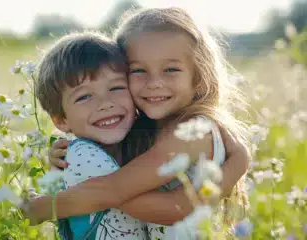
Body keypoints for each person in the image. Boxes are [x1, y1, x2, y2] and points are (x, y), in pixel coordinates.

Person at [26, 7, 250, 239]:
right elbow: (116, 178)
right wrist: (69, 160)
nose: (154, 83)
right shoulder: (149, 129)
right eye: (139, 70)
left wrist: (46, 207)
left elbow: (159, 203)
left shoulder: (193, 133)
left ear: (199, 77)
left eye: (171, 69)